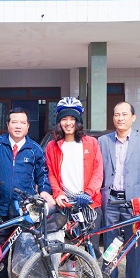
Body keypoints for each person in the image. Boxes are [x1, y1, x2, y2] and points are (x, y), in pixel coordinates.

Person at [0, 107, 54, 278]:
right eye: (13, 122)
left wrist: (45, 192)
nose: (17, 126)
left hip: (23, 213)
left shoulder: (34, 149)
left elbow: (42, 176)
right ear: (7, 125)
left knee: (22, 253)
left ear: (27, 126)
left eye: (22, 122)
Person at [98, 101, 140, 278]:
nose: (120, 118)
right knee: (111, 246)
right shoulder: (103, 141)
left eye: (124, 114)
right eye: (116, 114)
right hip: (111, 200)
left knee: (134, 246)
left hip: (134, 204)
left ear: (133, 117)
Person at [45, 97, 103, 259]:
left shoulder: (91, 143)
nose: (68, 123)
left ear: (78, 122)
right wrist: (57, 194)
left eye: (72, 119)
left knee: (90, 247)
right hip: (65, 204)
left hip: (89, 202)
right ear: (59, 122)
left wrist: (89, 193)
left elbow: (98, 171)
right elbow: (51, 173)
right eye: (64, 119)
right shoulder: (52, 146)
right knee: (68, 249)